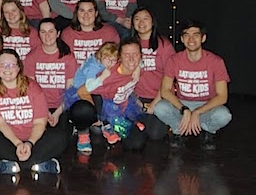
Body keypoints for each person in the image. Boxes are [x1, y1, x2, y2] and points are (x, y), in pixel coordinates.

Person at [0, 49, 66, 176]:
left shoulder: (33, 87)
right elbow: (0, 124)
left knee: (61, 137)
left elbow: (40, 122)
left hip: (35, 140)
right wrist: (18, 143)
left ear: (19, 67)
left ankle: (11, 164)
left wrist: (29, 144)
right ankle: (39, 164)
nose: (7, 69)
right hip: (8, 140)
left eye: (12, 65)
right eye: (3, 65)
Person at [154, 21, 232, 150]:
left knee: (224, 115)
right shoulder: (174, 60)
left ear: (203, 38)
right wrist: (184, 109)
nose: (191, 39)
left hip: (206, 105)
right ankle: (180, 131)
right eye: (186, 35)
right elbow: (165, 91)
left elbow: (222, 96)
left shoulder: (216, 61)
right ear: (182, 39)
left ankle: (207, 132)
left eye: (195, 35)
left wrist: (197, 112)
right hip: (183, 103)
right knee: (160, 108)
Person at [69, 40, 146, 154]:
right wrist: (96, 116)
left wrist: (139, 67)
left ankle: (124, 123)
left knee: (137, 143)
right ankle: (86, 131)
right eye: (126, 55)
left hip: (121, 109)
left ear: (141, 56)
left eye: (135, 55)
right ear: (120, 58)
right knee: (82, 109)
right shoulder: (108, 77)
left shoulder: (138, 67)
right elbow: (82, 91)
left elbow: (139, 63)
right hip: (104, 111)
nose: (131, 59)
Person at [24, 18, 76, 134]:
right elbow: (31, 89)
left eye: (51, 31)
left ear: (58, 33)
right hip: (39, 106)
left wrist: (57, 113)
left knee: (61, 136)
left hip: (61, 106)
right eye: (43, 32)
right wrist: (44, 111)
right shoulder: (31, 57)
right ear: (39, 35)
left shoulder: (68, 56)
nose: (47, 36)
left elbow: (70, 90)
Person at [131, 8, 175, 142]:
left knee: (155, 134)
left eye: (146, 18)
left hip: (159, 97)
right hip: (137, 98)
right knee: (134, 141)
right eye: (137, 18)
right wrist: (133, 98)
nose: (141, 22)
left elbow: (170, 78)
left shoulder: (164, 45)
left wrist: (154, 103)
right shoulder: (129, 44)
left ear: (153, 22)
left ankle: (171, 122)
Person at [61, 0, 121, 64]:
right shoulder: (67, 34)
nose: (86, 15)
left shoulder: (109, 32)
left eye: (90, 11)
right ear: (77, 13)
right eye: (82, 11)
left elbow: (117, 59)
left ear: (96, 13)